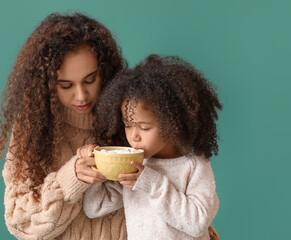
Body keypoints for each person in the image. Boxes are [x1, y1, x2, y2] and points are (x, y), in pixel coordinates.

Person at [0, 12, 128, 239]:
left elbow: (168, 181)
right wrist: (70, 179)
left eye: (90, 80)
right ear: (46, 84)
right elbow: (21, 223)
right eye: (66, 85)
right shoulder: (33, 129)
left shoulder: (130, 115)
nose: (81, 96)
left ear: (104, 72)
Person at [80, 54, 222, 239]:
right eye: (128, 125)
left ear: (173, 124)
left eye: (144, 127)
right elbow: (94, 207)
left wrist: (151, 183)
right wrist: (95, 168)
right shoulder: (133, 165)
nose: (133, 136)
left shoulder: (195, 166)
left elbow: (197, 223)